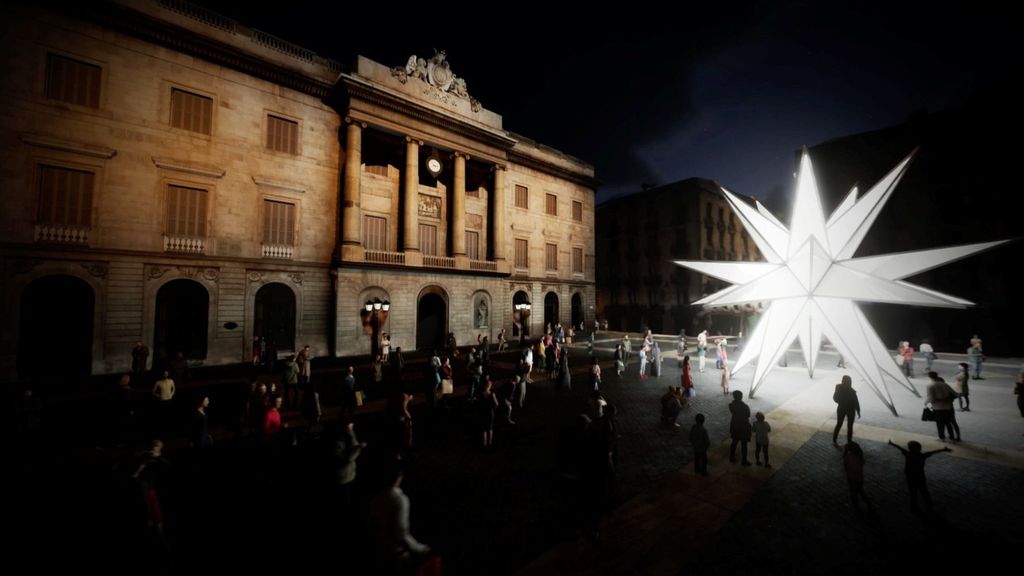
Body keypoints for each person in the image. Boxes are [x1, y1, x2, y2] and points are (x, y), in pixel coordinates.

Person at [369, 462, 431, 573]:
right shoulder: (400, 499)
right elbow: (401, 533)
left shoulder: (375, 497)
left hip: (378, 551)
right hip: (396, 553)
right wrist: (420, 549)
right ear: (399, 476)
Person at [887, 440, 952, 514]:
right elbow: (933, 452)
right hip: (920, 476)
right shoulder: (922, 456)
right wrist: (944, 450)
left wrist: (892, 443)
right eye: (919, 448)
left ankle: (914, 506)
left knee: (913, 492)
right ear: (918, 449)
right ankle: (928, 504)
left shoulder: (908, 454)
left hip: (910, 477)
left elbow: (899, 448)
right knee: (924, 491)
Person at [926, 371, 960, 442]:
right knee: (948, 423)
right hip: (948, 407)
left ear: (929, 377)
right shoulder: (944, 384)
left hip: (938, 408)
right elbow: (955, 394)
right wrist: (948, 399)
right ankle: (952, 437)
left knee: (940, 424)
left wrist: (926, 402)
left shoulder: (930, 386)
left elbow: (931, 399)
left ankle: (942, 438)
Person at [832, 375, 860, 446]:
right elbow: (856, 402)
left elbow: (835, 398)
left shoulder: (839, 387)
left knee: (841, 424)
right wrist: (858, 411)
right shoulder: (851, 391)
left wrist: (840, 402)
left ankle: (836, 440)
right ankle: (848, 441)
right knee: (847, 426)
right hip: (849, 409)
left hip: (843, 408)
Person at [843, 442, 869, 511]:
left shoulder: (848, 457)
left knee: (853, 492)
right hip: (859, 478)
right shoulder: (860, 457)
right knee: (860, 490)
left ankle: (856, 506)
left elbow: (845, 466)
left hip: (851, 478)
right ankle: (867, 502)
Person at [728, 390, 752, 465]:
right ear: (741, 397)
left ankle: (731, 457)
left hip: (735, 425)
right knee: (744, 444)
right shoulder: (745, 406)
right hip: (743, 426)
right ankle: (744, 460)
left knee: (734, 442)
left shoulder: (731, 405)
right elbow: (748, 415)